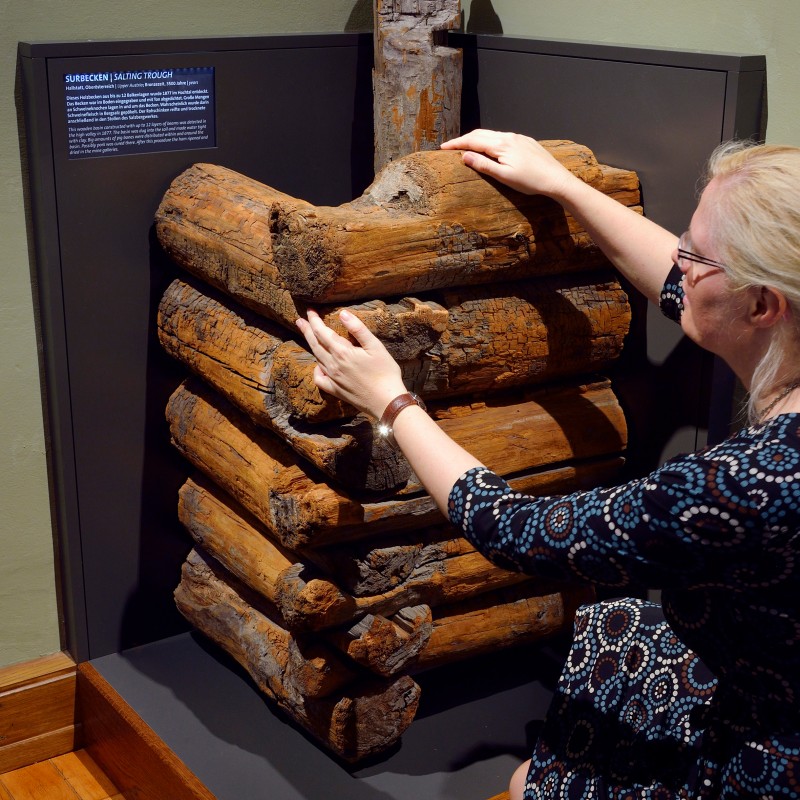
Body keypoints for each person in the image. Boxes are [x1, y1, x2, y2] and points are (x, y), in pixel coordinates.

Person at [296, 130, 800, 799]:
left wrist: (391, 402)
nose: (678, 263)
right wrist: (564, 185)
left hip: (769, 758)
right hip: (770, 663)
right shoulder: (778, 345)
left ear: (764, 305)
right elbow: (684, 292)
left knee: (533, 780)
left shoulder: (753, 483)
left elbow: (520, 532)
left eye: (695, 254)